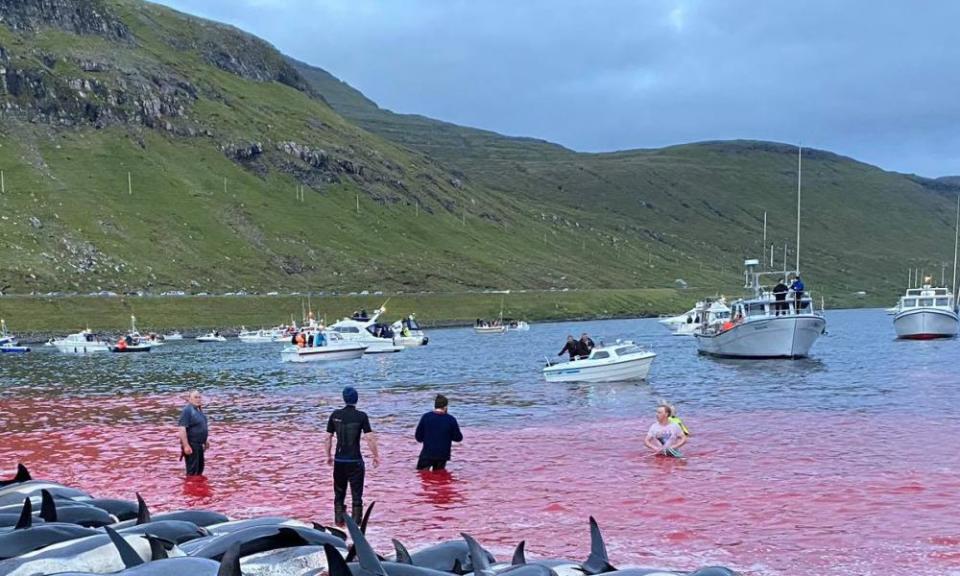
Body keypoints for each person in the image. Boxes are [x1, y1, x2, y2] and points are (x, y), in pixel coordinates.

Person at [325, 386, 379, 526]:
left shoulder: (335, 415)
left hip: (339, 460)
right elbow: (370, 438)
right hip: (355, 460)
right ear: (357, 399)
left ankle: (339, 522)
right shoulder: (361, 416)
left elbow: (327, 437)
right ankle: (356, 525)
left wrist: (328, 456)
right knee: (357, 494)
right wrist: (375, 455)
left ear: (344, 399)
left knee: (339, 493)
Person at [414, 394, 463, 471]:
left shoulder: (426, 417)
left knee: (422, 475)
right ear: (446, 407)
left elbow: (418, 437)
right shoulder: (451, 419)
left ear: (435, 406)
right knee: (439, 478)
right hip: (443, 455)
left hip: (427, 453)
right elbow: (458, 438)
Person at [177, 390, 209, 476]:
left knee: (199, 470)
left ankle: (197, 488)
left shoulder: (198, 410)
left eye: (199, 397)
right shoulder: (187, 410)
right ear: (189, 399)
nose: (198, 399)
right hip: (192, 445)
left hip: (199, 445)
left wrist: (206, 441)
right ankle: (189, 488)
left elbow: (202, 427)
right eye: (195, 397)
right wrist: (186, 446)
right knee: (192, 472)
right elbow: (182, 428)